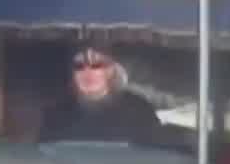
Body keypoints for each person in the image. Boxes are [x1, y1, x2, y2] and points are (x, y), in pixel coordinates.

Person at [37, 44, 165, 144]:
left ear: (110, 70)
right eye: (79, 66)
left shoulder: (139, 110)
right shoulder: (56, 116)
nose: (87, 72)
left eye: (96, 65)